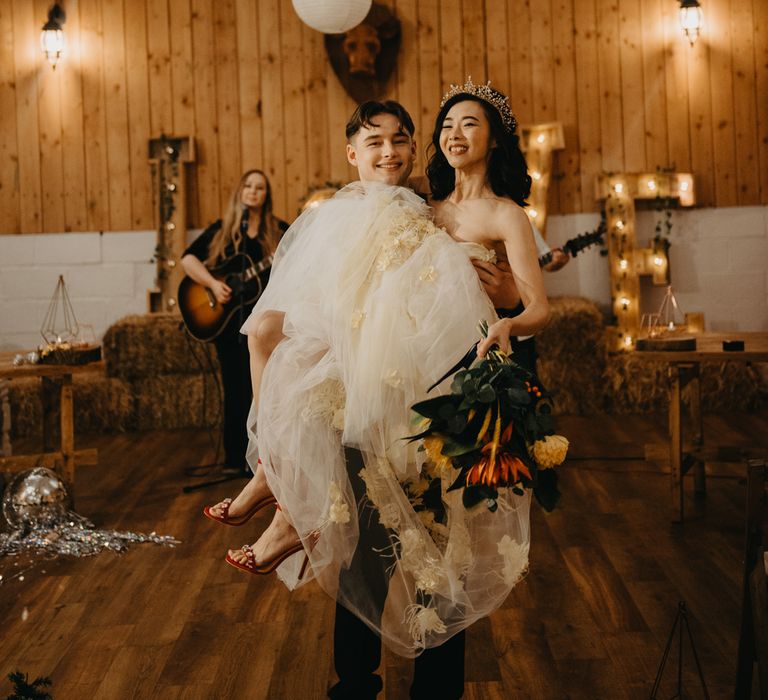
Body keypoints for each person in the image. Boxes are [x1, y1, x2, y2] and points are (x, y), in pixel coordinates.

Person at [181, 170, 288, 476]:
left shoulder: (278, 230)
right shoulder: (224, 230)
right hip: (227, 324)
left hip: (263, 326)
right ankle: (235, 459)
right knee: (235, 389)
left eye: (261, 188)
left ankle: (266, 460)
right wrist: (214, 286)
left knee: (265, 390)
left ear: (266, 195)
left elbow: (301, 256)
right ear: (240, 191)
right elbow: (188, 259)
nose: (254, 192)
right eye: (249, 186)